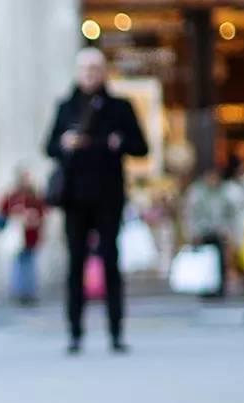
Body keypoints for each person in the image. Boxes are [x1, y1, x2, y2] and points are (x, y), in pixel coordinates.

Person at [45, 47, 147, 354]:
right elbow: (48, 147)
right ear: (77, 72)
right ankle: (75, 332)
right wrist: (64, 143)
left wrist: (118, 143)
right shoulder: (66, 107)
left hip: (108, 196)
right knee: (75, 265)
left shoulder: (119, 108)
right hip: (74, 198)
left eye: (95, 68)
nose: (90, 74)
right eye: (85, 69)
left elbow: (141, 146)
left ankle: (116, 331)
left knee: (110, 263)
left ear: (104, 72)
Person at [0, 166, 47, 305]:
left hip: (31, 237)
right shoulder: (12, 196)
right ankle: (18, 292)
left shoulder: (35, 197)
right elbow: (2, 211)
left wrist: (33, 218)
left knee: (30, 265)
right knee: (18, 265)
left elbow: (43, 214)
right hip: (17, 238)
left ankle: (30, 292)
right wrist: (16, 214)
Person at [184, 166, 237, 298]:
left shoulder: (223, 192)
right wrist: (194, 232)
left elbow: (230, 213)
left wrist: (228, 230)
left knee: (220, 260)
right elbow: (192, 213)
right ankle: (205, 287)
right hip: (203, 232)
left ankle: (219, 287)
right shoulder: (197, 192)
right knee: (205, 259)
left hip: (219, 231)